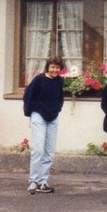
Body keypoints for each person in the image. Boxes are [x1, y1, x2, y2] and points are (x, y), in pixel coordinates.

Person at [23, 57, 65, 194]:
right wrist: (32, 111)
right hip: (39, 116)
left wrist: (57, 109)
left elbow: (60, 98)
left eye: (57, 68)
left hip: (53, 118)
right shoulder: (39, 80)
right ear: (48, 67)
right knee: (38, 150)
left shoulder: (59, 81)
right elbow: (28, 96)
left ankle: (43, 182)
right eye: (52, 67)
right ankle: (33, 181)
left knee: (49, 151)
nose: (55, 70)